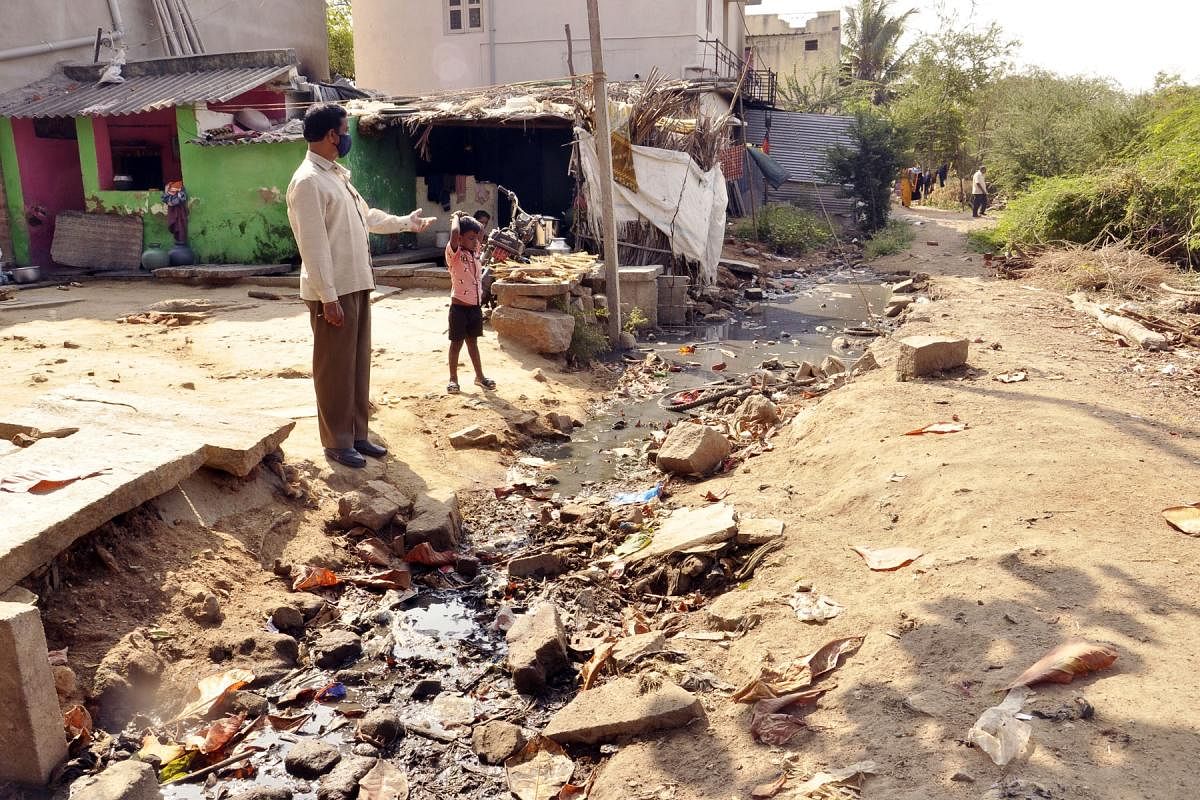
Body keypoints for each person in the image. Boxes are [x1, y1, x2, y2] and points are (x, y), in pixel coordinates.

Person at [287, 103, 436, 469]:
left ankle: (356, 435)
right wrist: (328, 297)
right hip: (333, 291)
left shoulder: (336, 175)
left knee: (355, 365)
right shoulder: (307, 182)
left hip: (355, 284)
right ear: (331, 136)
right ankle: (336, 442)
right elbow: (314, 246)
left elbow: (366, 217)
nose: (347, 137)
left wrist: (405, 222)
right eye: (343, 130)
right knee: (334, 368)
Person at [445, 212, 496, 395]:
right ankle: (453, 379)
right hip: (459, 308)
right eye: (471, 238)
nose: (476, 241)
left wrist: (471, 222)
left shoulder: (475, 253)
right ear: (460, 238)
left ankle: (480, 377)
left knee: (473, 343)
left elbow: (480, 231)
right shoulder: (455, 254)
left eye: (477, 238)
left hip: (474, 308)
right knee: (456, 344)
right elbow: (454, 233)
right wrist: (456, 218)